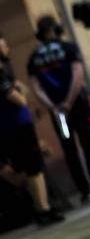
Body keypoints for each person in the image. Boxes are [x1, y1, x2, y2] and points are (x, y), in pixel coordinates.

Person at [28, 17, 90, 203]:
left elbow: (36, 87)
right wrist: (68, 101)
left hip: (58, 113)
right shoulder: (68, 48)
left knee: (69, 149)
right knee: (88, 144)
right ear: (57, 29)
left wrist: (54, 106)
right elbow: (77, 75)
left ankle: (85, 191)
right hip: (76, 106)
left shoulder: (34, 57)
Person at [0, 33, 64, 225]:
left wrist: (20, 89)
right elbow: (19, 98)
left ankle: (42, 206)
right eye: (3, 46)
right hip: (15, 128)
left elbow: (23, 90)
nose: (7, 49)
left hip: (19, 125)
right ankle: (43, 209)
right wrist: (19, 90)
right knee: (32, 168)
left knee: (31, 167)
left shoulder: (6, 71)